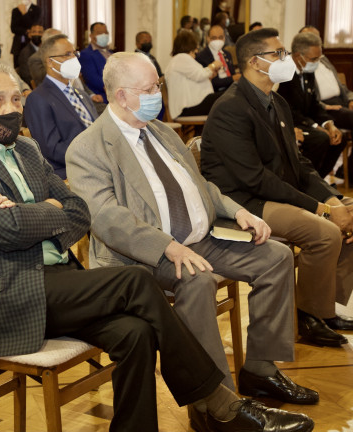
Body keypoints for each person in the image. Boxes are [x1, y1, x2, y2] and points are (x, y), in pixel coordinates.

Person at [0, 61, 314, 432]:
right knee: (136, 282)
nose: (11, 109)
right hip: (0, 297)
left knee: (136, 333)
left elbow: (77, 212)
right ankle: (221, 405)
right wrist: (48, 210)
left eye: (16, 99)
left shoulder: (26, 150)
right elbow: (8, 228)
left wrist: (37, 214)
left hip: (54, 281)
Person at [66, 52, 319, 429]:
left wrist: (237, 211)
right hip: (145, 255)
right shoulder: (88, 147)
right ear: (121, 96)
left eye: (158, 85)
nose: (158, 94)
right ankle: (217, 405)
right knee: (198, 282)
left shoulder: (161, 131)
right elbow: (107, 219)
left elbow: (200, 186)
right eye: (149, 89)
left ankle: (260, 369)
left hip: (200, 239)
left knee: (276, 257)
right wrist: (167, 246)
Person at [200, 28, 353, 347]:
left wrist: (332, 199)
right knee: (326, 231)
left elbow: (299, 165)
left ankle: (325, 308)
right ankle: (308, 318)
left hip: (271, 193)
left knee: (349, 215)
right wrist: (323, 210)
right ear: (255, 62)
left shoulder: (276, 101)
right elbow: (255, 179)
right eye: (279, 53)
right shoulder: (230, 108)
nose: (286, 59)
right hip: (242, 203)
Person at [25, 35, 99, 179]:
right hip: (70, 171)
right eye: (67, 54)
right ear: (50, 62)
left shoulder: (81, 94)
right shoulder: (38, 98)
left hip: (97, 164)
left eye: (74, 53)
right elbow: (51, 148)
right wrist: (91, 157)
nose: (74, 58)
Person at [277, 31, 347, 180]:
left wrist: (329, 124)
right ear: (298, 56)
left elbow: (314, 105)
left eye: (319, 58)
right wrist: (315, 126)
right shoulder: (284, 74)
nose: (317, 63)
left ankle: (317, 180)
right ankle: (303, 181)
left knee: (340, 137)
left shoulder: (307, 71)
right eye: (314, 59)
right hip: (290, 123)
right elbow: (288, 110)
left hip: (305, 121)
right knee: (321, 138)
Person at [165, 31, 223, 119]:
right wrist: (213, 65)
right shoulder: (181, 58)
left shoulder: (179, 59)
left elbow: (195, 77)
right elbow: (200, 75)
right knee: (227, 97)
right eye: (195, 47)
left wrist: (210, 76)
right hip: (187, 107)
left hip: (191, 105)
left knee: (227, 97)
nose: (196, 51)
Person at [196, 25, 239, 92]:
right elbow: (211, 82)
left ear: (224, 38)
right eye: (214, 38)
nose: (217, 40)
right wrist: (233, 78)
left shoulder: (227, 54)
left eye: (220, 37)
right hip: (215, 92)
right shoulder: (201, 57)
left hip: (231, 89)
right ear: (208, 38)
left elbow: (232, 73)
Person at [80, 22, 112, 103]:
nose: (104, 35)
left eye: (105, 32)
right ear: (91, 36)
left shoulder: (111, 53)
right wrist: (114, 88)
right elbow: (93, 79)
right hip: (101, 98)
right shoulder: (86, 54)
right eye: (99, 33)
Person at [10, 0, 41, 67]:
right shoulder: (16, 10)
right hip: (18, 45)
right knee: (17, 67)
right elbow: (13, 28)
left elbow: (33, 26)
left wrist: (24, 13)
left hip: (31, 43)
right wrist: (26, 31)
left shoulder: (36, 9)